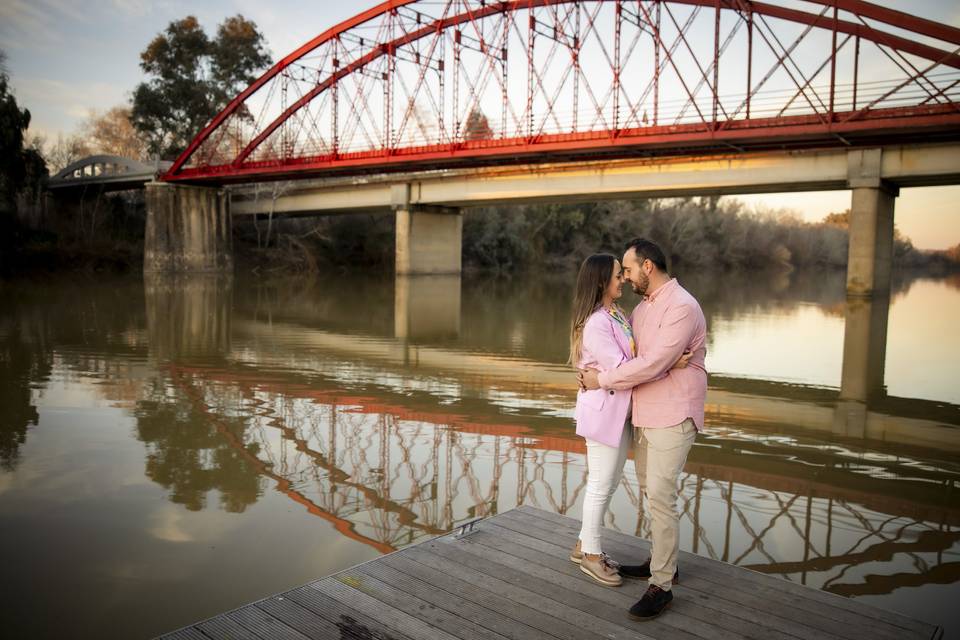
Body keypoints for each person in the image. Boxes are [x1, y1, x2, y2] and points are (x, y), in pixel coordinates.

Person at [579, 238, 707, 621]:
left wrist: (601, 380)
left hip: (673, 413)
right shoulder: (641, 309)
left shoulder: (682, 306)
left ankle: (662, 585)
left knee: (662, 497)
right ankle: (661, 560)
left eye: (629, 269)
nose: (627, 276)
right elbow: (634, 355)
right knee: (652, 493)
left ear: (647, 266)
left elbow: (650, 364)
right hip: (645, 413)